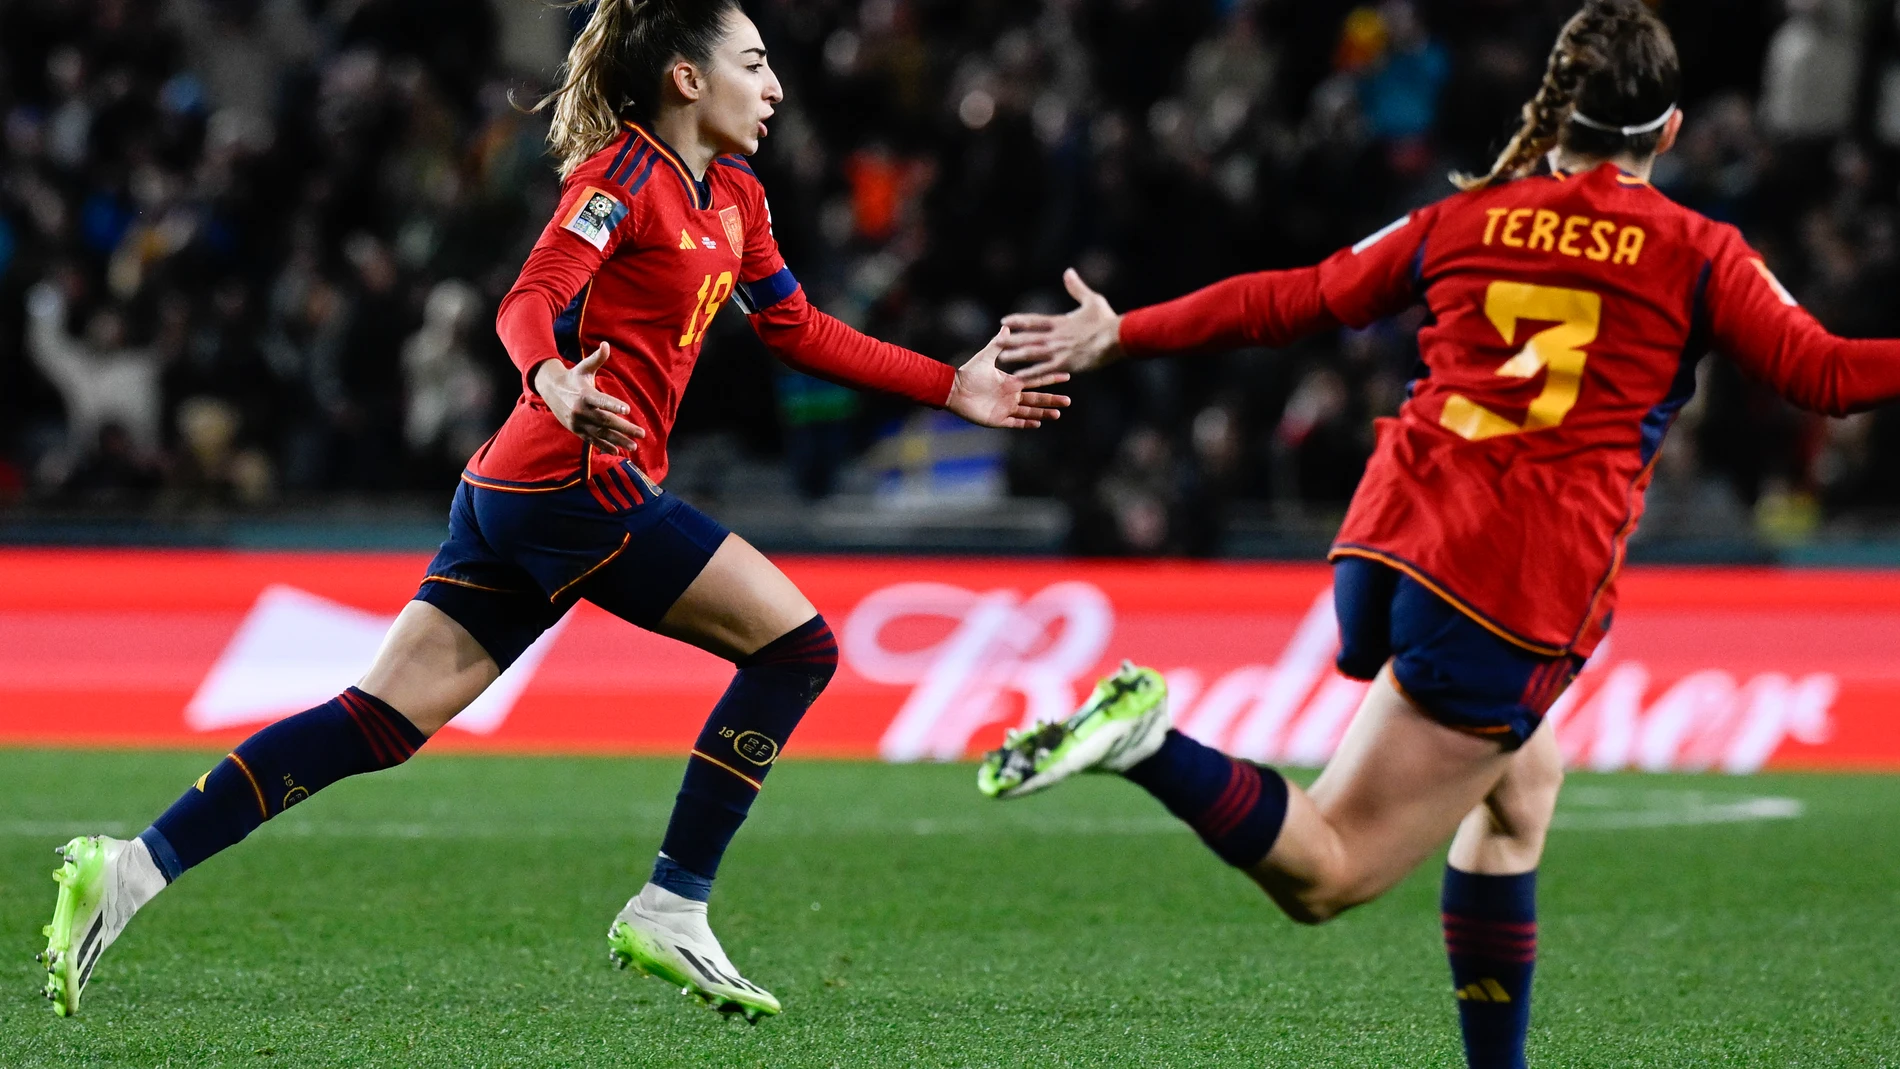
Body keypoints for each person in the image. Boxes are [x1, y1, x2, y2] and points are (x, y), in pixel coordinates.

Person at [39, 0, 1066, 1023]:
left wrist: (950, 386)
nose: (776, 87)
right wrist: (554, 376)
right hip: (578, 483)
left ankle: (131, 868)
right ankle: (673, 903)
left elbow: (794, 327)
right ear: (686, 79)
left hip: (512, 490)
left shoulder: (738, 195)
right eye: (754, 64)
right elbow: (527, 297)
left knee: (382, 721)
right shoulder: (622, 178)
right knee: (795, 649)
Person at [979, 2, 1900, 1066]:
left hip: (1390, 539)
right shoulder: (1694, 249)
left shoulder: (1465, 215)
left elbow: (1302, 295)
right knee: (1327, 872)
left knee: (1521, 796)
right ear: (1672, 129)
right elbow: (1823, 374)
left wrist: (1123, 331)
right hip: (1509, 582)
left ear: (1551, 115)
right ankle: (1146, 744)